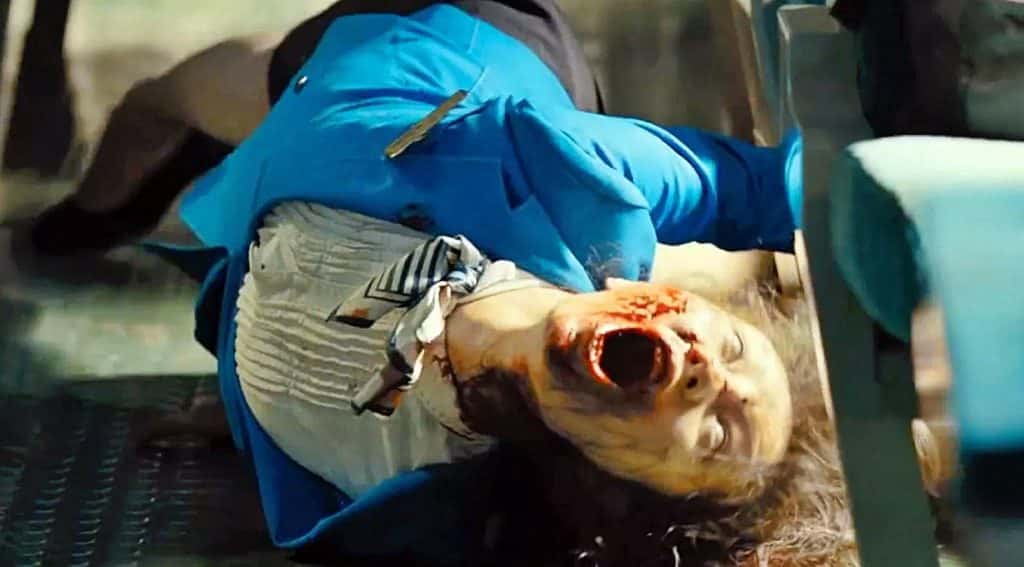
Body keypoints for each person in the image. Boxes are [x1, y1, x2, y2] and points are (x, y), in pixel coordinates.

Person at [18, 1, 826, 565]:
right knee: (162, 105)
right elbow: (752, 187)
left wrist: (247, 413)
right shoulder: (568, 169)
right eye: (730, 345)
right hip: (426, 46)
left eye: (718, 431)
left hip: (291, 185)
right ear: (663, 300)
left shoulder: (432, 504)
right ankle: (102, 202)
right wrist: (855, 199)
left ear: (626, 488)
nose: (709, 370)